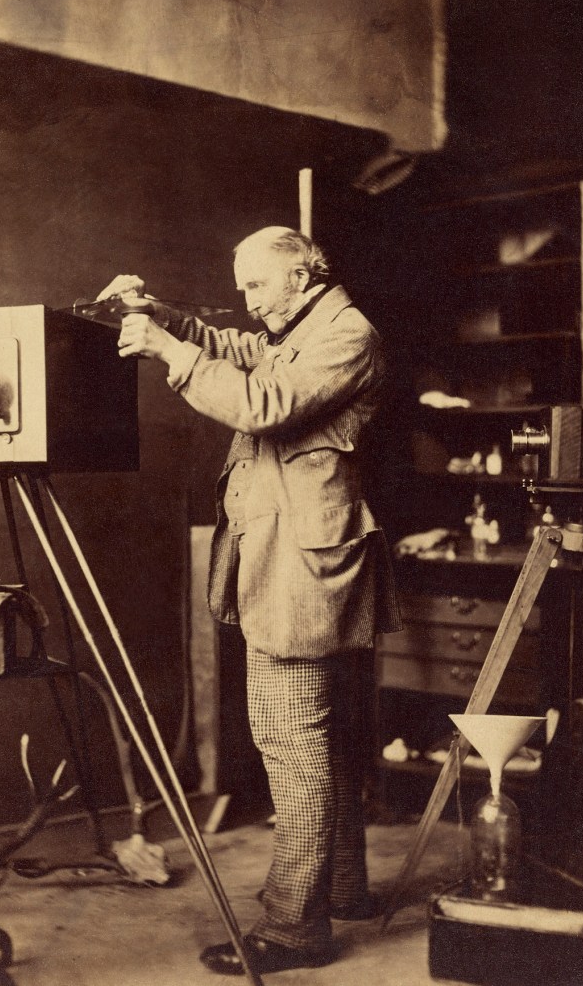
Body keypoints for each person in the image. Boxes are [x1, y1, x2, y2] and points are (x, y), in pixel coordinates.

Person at [99, 226, 401, 975]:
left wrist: (166, 352)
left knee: (292, 745)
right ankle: (344, 887)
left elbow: (262, 401)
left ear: (301, 276)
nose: (245, 301)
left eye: (256, 286)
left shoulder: (346, 333)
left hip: (302, 570)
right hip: (289, 559)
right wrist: (156, 313)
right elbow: (232, 348)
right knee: (318, 743)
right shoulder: (299, 322)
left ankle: (295, 930)